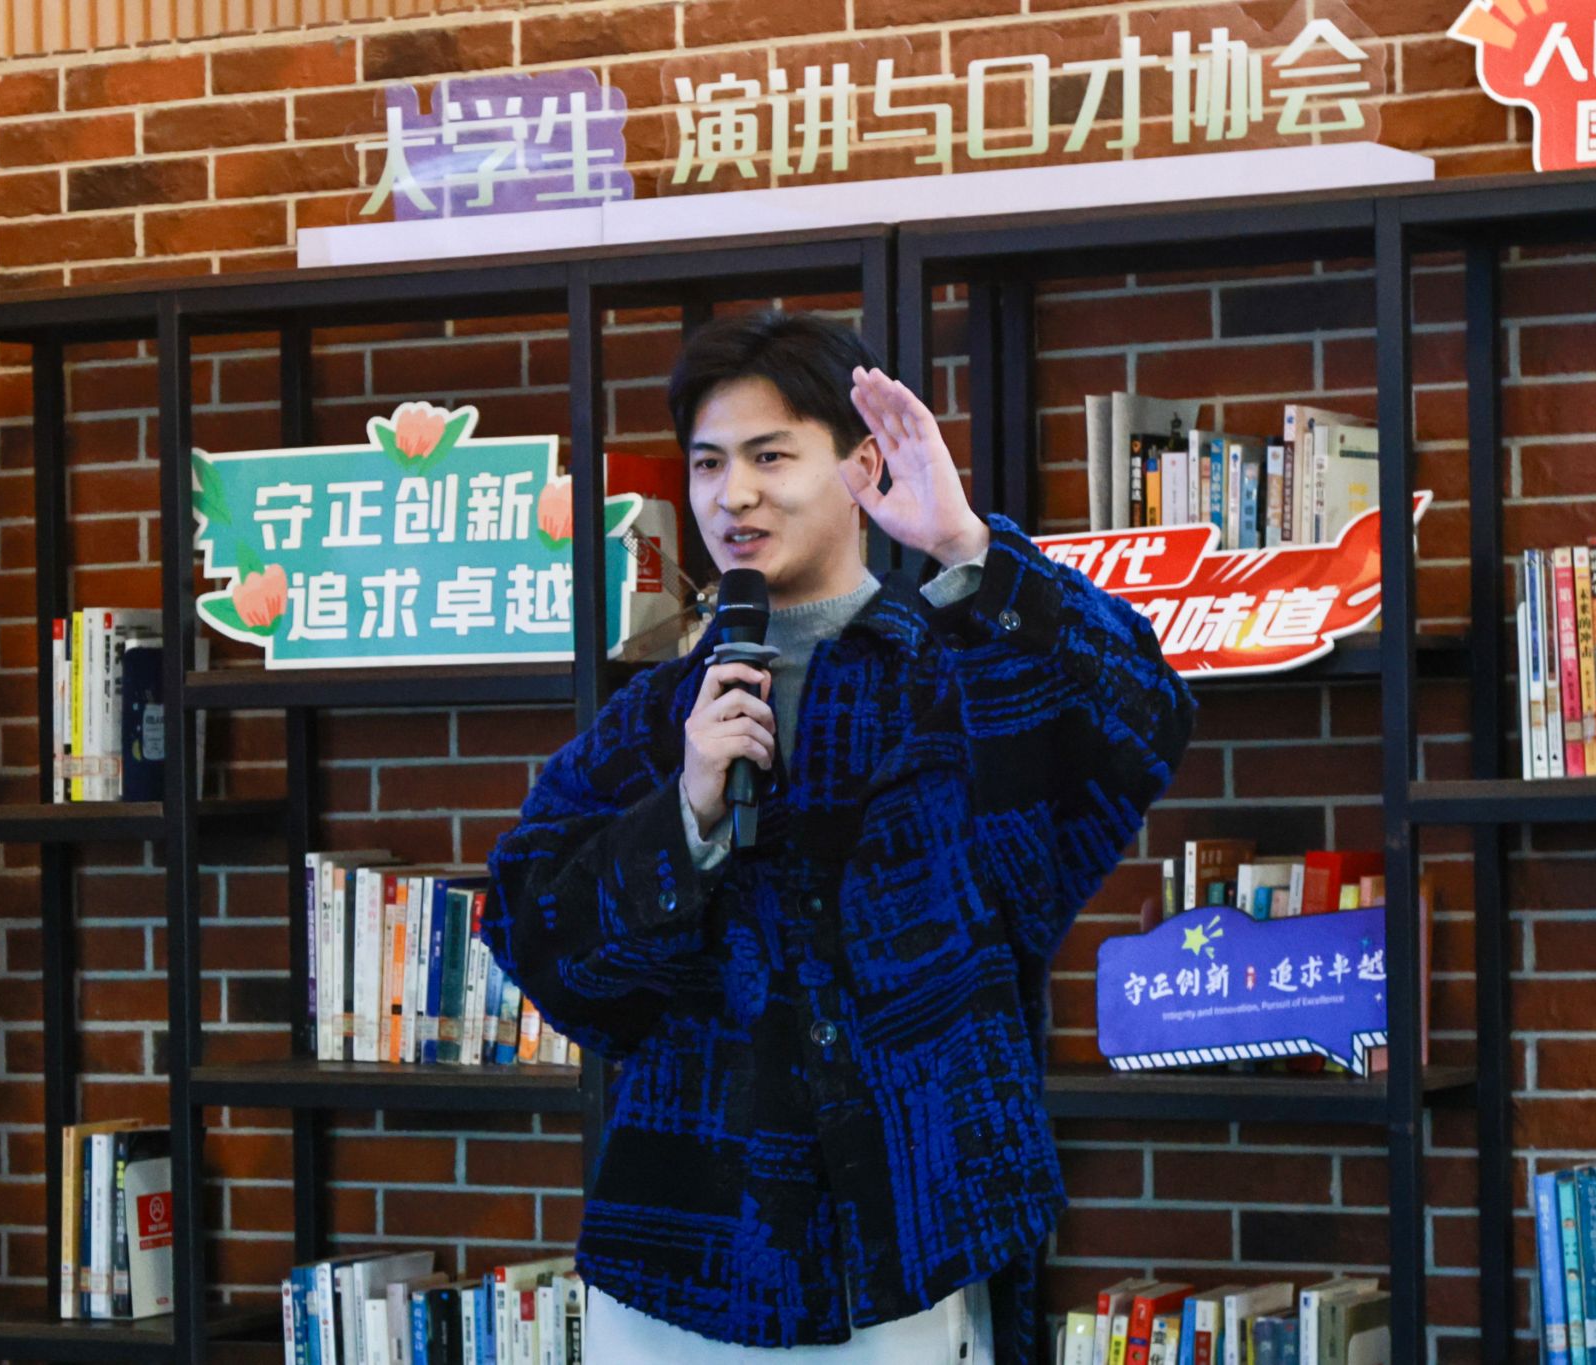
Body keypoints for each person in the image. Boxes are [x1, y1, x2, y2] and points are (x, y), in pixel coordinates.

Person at [482, 311, 1195, 1362]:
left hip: (912, 1235)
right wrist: (685, 814)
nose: (734, 494)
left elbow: (1141, 714)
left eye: (771, 456)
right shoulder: (661, 717)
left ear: (861, 467)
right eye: (708, 463)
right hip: (684, 1251)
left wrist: (966, 546)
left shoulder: (956, 679)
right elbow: (531, 931)